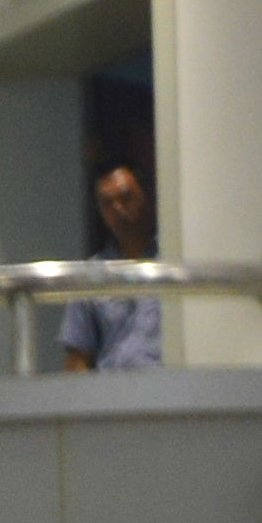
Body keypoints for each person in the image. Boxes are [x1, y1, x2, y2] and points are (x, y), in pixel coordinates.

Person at [53, 157, 167, 370]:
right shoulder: (91, 275)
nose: (118, 209)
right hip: (112, 387)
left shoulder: (172, 263)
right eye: (107, 203)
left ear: (147, 196)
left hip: (170, 384)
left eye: (126, 198)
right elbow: (78, 358)